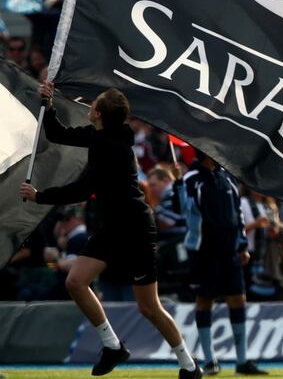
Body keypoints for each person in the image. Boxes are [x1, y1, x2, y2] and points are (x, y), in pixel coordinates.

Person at [19, 82, 201, 378]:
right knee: (75, 282)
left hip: (135, 229)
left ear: (99, 113)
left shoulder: (111, 147)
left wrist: (40, 196)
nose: (90, 104)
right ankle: (112, 345)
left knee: (149, 307)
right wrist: (48, 105)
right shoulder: (100, 136)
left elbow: (82, 189)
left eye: (95, 102)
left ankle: (189, 365)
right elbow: (57, 133)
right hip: (114, 227)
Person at [182, 152, 267, 376]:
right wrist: (177, 187)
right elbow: (185, 210)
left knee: (238, 299)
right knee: (204, 300)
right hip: (204, 252)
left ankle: (242, 360)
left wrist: (242, 245)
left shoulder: (227, 178)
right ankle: (209, 359)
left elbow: (238, 213)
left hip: (230, 252)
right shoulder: (191, 179)